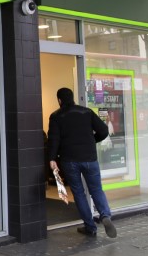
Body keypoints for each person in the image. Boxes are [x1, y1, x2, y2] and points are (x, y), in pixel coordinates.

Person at [47, 87, 117, 238]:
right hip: (90, 158)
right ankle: (105, 216)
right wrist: (93, 140)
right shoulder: (86, 112)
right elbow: (104, 130)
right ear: (73, 98)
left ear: (59, 100)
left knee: (79, 193)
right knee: (96, 189)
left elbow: (54, 139)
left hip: (69, 160)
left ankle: (90, 227)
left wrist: (52, 158)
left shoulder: (56, 116)